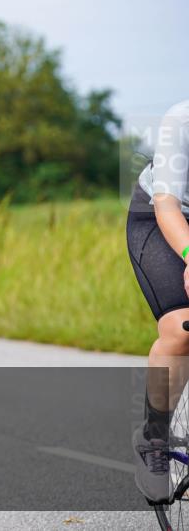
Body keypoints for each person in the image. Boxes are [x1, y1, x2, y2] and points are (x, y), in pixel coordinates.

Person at [128, 99, 189, 503]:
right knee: (182, 325)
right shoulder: (181, 119)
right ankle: (154, 437)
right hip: (161, 218)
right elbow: (166, 204)